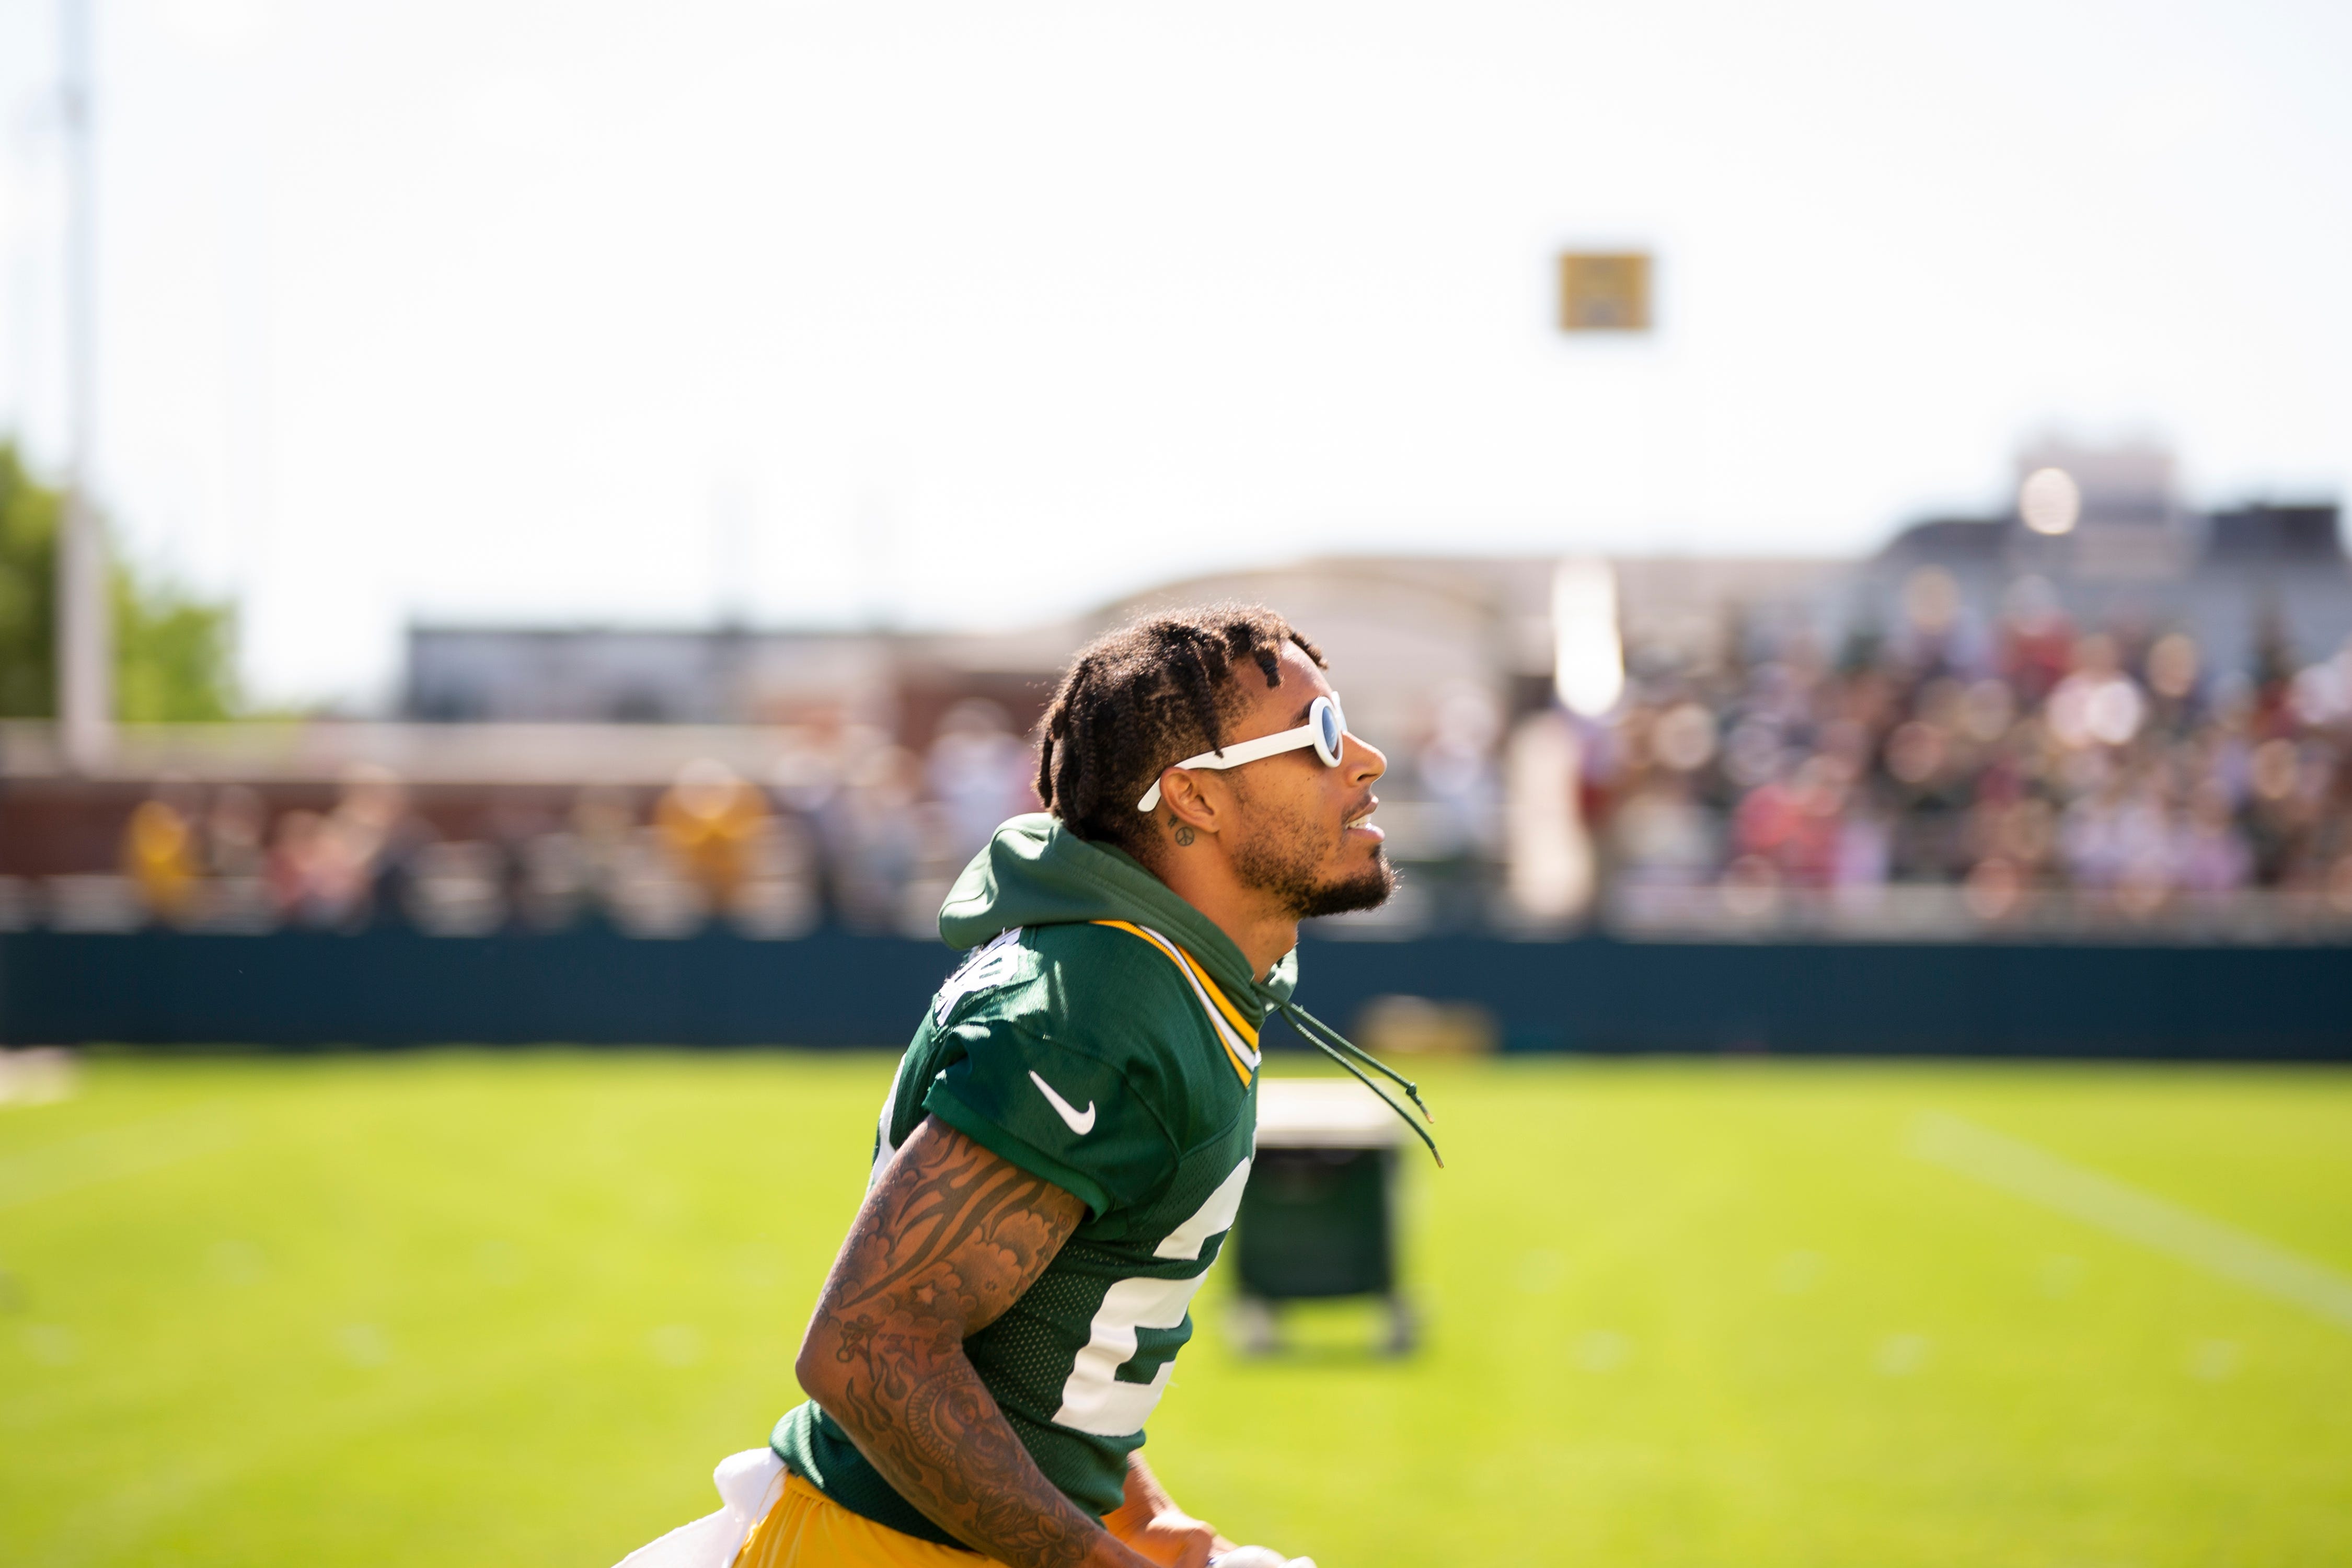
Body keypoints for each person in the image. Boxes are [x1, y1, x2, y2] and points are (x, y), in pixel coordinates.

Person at [619, 606, 1436, 1568]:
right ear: (1194, 799)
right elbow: (872, 1347)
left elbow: (1036, 1349)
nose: (1367, 760)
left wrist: (1137, 1513)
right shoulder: (1096, 1009)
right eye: (1323, 735)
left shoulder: (1157, 976)